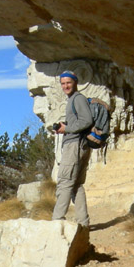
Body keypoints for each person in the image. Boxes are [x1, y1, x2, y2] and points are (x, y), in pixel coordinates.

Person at [52, 70, 93, 227]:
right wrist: (65, 126)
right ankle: (83, 223)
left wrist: (67, 129)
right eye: (63, 83)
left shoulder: (77, 99)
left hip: (74, 145)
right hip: (79, 144)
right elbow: (81, 121)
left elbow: (86, 120)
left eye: (68, 82)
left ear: (75, 82)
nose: (65, 86)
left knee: (65, 182)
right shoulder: (74, 100)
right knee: (76, 185)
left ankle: (57, 220)